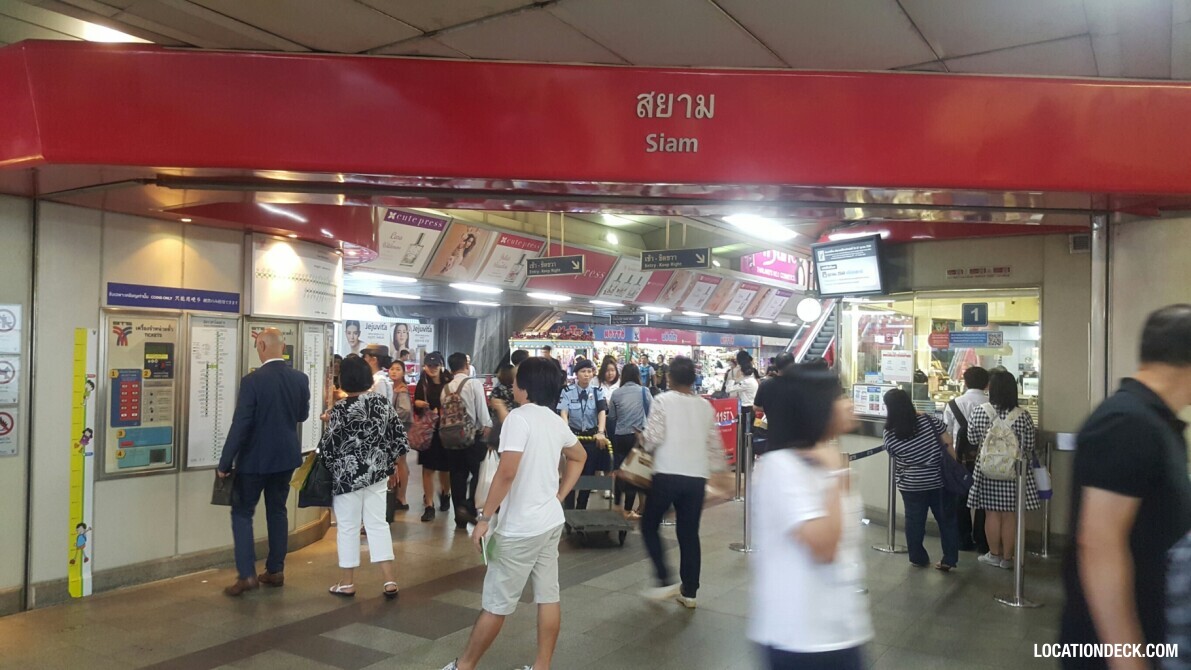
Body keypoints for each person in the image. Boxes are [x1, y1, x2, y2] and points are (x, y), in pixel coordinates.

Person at [1060, 305, 1191, 668]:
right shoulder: (1126, 424)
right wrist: (1129, 659)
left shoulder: (1154, 422)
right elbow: (1100, 545)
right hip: (1108, 649)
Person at [442, 358, 586, 670]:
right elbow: (579, 456)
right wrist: (559, 496)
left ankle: (463, 666)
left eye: (517, 379)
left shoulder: (518, 420)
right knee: (548, 596)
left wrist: (484, 519)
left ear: (527, 387)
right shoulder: (554, 421)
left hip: (520, 528)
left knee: (496, 604)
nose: (513, 384)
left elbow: (506, 473)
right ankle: (542, 666)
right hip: (549, 521)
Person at [749, 366, 871, 670]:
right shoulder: (782, 467)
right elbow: (824, 548)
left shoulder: (821, 460)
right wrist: (835, 474)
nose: (849, 404)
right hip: (801, 639)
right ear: (817, 406)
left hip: (840, 629)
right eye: (839, 396)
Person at [217, 328, 311, 596]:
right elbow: (302, 415)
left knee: (242, 513)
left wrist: (224, 463)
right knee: (277, 510)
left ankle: (247, 575)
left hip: (254, 460)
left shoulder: (252, 381)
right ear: (283, 347)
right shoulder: (300, 378)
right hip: (286, 458)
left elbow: (241, 424)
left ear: (261, 346)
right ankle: (275, 570)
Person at [640, 356, 727, 609]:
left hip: (667, 473)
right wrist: (721, 474)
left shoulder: (662, 401)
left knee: (649, 525)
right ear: (692, 379)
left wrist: (642, 440)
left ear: (669, 378)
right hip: (696, 477)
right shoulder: (705, 406)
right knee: (689, 533)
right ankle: (689, 592)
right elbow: (714, 445)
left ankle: (664, 578)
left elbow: (653, 438)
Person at [320, 356, 408, 599]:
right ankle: (389, 580)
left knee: (348, 527)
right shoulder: (381, 403)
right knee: (378, 524)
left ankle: (347, 583)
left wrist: (329, 423)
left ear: (344, 380)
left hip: (347, 477)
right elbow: (399, 438)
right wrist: (392, 463)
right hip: (376, 473)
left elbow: (328, 448)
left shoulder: (340, 409)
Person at [966, 370, 1039, 569]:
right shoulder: (1023, 415)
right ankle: (1008, 558)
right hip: (1015, 471)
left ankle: (994, 554)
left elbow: (972, 439)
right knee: (1010, 515)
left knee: (991, 514)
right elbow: (1029, 445)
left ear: (991, 389)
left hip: (987, 470)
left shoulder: (980, 411)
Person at [882, 388, 959, 570]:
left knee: (914, 521)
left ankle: (918, 557)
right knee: (946, 520)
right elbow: (948, 443)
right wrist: (955, 465)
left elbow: (893, 453)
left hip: (911, 483)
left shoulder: (889, 432)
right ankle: (949, 559)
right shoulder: (929, 421)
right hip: (938, 480)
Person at [942, 366, 990, 553]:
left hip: (960, 459)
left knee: (960, 499)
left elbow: (946, 434)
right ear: (987, 384)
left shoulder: (953, 404)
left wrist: (953, 458)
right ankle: (982, 540)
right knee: (984, 500)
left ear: (965, 382)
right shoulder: (992, 404)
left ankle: (963, 540)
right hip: (987, 459)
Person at [442, 352, 493, 529]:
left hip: (451, 438)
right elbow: (482, 409)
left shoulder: (445, 388)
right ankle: (469, 506)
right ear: (466, 366)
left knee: (457, 474)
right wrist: (487, 425)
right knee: (479, 472)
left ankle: (459, 517)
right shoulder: (473, 384)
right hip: (473, 437)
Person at [557, 358, 610, 509]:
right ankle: (568, 508)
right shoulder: (567, 391)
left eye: (589, 371)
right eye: (583, 371)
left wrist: (601, 432)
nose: (586, 374)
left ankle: (582, 507)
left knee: (588, 473)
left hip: (591, 437)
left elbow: (602, 412)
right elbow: (564, 412)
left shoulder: (597, 391)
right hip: (574, 437)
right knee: (570, 473)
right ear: (576, 374)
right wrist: (566, 434)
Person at [608, 363, 651, 517]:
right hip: (637, 437)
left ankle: (617, 504)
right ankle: (628, 509)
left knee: (620, 471)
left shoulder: (616, 393)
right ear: (638, 376)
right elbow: (652, 413)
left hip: (620, 436)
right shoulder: (644, 391)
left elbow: (612, 416)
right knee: (633, 473)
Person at [414, 352, 452, 522]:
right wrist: (419, 404)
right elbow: (416, 403)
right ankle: (429, 505)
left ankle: (445, 493)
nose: (432, 368)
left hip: (446, 430)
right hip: (428, 431)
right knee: (428, 468)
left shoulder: (449, 382)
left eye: (436, 365)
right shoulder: (422, 383)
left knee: (445, 468)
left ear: (441, 365)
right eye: (429, 365)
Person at [387, 361, 413, 517]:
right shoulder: (392, 388)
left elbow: (405, 410)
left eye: (398, 369)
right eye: (392, 369)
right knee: (400, 462)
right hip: (395, 430)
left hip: (400, 430)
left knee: (401, 462)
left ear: (403, 373)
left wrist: (389, 417)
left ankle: (401, 498)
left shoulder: (402, 390)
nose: (394, 372)